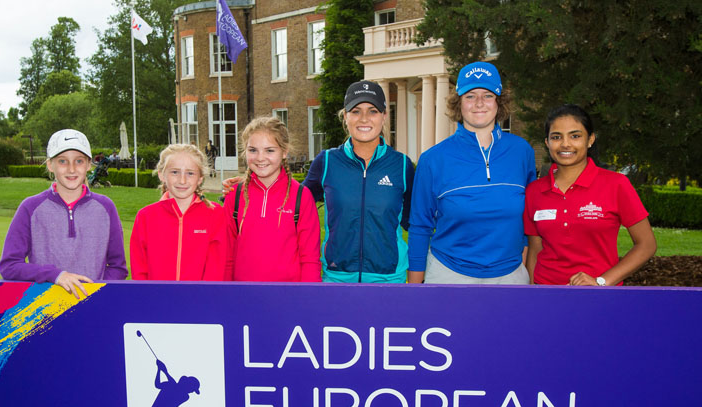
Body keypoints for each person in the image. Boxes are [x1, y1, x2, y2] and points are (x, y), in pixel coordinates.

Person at [408, 62, 536, 284]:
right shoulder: (433, 159)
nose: (479, 103)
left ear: (499, 101)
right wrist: (414, 288)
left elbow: (530, 217)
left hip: (510, 276)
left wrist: (522, 259)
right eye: (470, 95)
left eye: (487, 95)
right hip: (448, 275)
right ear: (459, 103)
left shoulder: (521, 151)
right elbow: (420, 227)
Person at [523, 104, 657, 286]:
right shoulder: (534, 191)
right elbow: (535, 248)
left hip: (598, 298)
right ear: (547, 143)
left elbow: (646, 245)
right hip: (547, 296)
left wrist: (601, 281)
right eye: (556, 137)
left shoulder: (616, 184)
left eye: (575, 136)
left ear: (590, 139)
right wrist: (533, 290)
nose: (565, 144)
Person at [302, 80, 414, 283]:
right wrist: (257, 179)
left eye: (372, 111)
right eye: (355, 111)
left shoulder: (402, 165)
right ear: (345, 116)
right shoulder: (327, 162)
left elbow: (415, 222)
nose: (364, 119)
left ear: (384, 116)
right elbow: (293, 203)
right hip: (337, 278)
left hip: (389, 280)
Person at [0, 129, 127, 298]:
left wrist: (96, 293)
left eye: (79, 161)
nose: (72, 169)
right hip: (44, 309)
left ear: (89, 165)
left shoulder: (105, 207)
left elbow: (118, 267)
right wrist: (55, 275)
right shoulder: (30, 207)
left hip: (93, 306)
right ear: (50, 165)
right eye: (63, 161)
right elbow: (9, 265)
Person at [224, 116, 321, 282]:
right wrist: (223, 293)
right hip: (242, 296)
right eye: (253, 150)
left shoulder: (301, 196)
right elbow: (225, 255)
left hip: (288, 297)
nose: (260, 157)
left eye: (270, 150)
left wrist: (308, 299)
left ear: (284, 152)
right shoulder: (234, 194)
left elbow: (310, 259)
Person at [129, 144, 232, 281]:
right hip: (157, 300)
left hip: (200, 300)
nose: (182, 180)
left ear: (200, 178)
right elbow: (139, 269)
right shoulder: (146, 216)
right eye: (175, 172)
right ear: (162, 175)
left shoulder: (215, 214)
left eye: (190, 173)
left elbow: (217, 266)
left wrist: (205, 299)